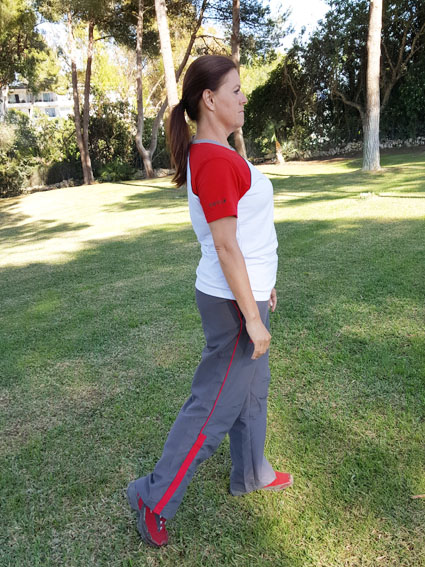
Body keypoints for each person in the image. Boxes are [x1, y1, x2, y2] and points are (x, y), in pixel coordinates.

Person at [127, 54, 293, 548]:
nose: (244, 98)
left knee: (252, 394)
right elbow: (225, 246)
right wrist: (251, 317)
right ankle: (153, 497)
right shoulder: (215, 159)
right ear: (210, 99)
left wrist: (264, 283)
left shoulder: (217, 151)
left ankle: (252, 473)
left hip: (247, 293)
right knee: (212, 409)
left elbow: (248, 232)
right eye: (236, 90)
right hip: (233, 305)